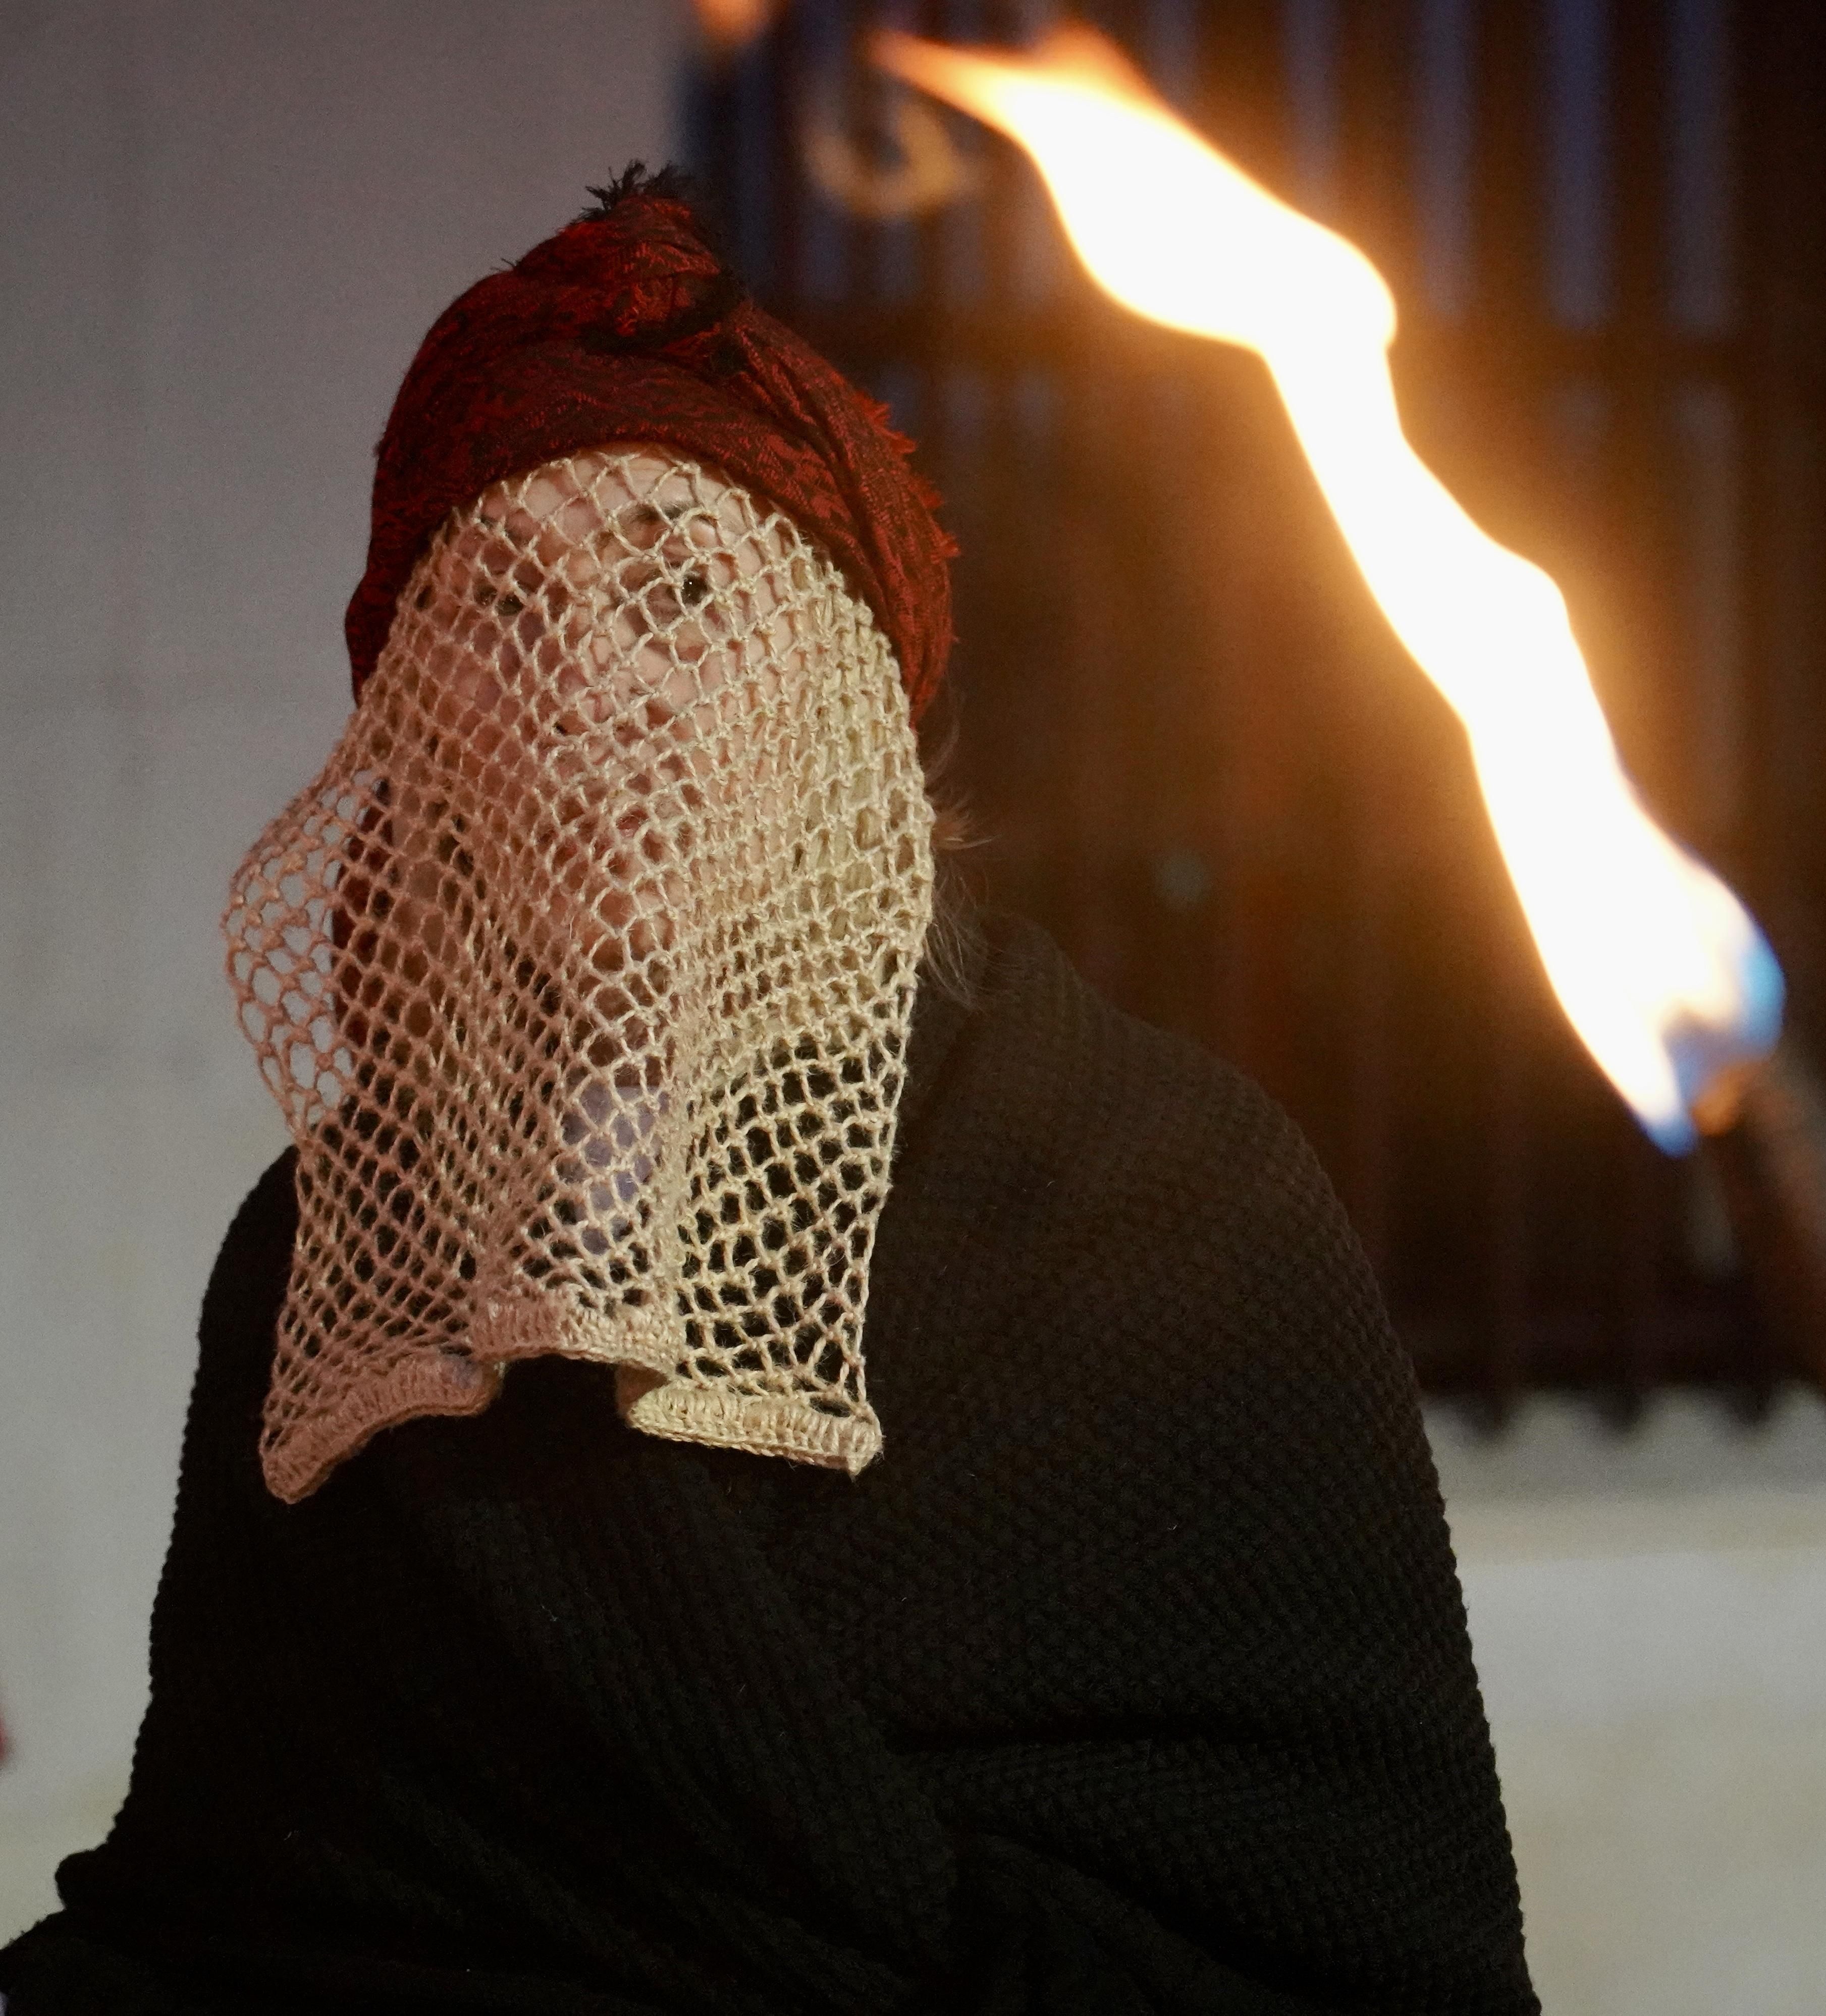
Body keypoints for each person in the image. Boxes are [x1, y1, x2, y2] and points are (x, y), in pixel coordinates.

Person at [0, 169, 1538, 2015]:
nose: (588, 700)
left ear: (842, 689)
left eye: (675, 597)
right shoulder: (334, 1268)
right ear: (408, 723)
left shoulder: (1157, 1209)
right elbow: (220, 1898)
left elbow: (1325, 1947)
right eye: (498, 617)